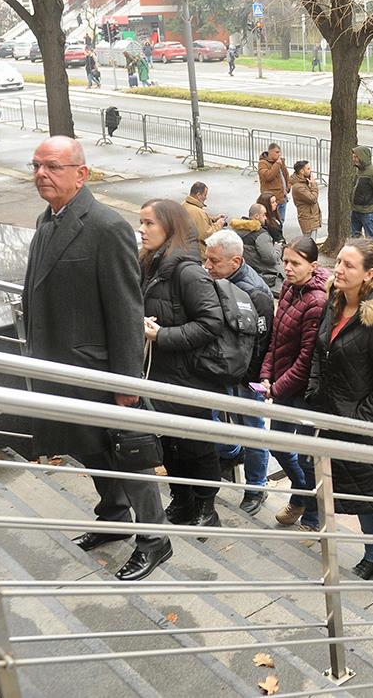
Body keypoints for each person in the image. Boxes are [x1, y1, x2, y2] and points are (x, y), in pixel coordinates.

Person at [22, 136, 170, 581]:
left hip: (100, 372)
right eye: (36, 166)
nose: (41, 174)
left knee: (126, 454)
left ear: (81, 174)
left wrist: (127, 384)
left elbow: (127, 310)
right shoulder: (46, 220)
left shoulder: (106, 226)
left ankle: (154, 539)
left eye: (53, 167)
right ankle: (114, 516)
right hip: (61, 368)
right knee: (89, 451)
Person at [306, 238, 373, 581]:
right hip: (337, 420)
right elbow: (321, 351)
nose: (338, 269)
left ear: (369, 274)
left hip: (370, 430)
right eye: (338, 262)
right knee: (357, 495)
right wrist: (314, 392)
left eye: (349, 266)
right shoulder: (334, 302)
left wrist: (359, 421)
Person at [137, 199, 224, 533]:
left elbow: (211, 322)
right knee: (171, 442)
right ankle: (182, 498)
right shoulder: (148, 263)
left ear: (169, 228)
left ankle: (206, 505)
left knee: (197, 445)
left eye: (149, 224)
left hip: (190, 376)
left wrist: (163, 335)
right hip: (159, 373)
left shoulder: (187, 271)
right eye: (141, 223)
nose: (142, 231)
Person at [202, 229, 281, 515]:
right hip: (221, 370)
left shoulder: (255, 292)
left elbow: (263, 340)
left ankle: (256, 487)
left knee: (253, 431)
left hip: (246, 377)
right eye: (206, 260)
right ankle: (232, 454)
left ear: (235, 262)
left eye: (214, 261)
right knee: (217, 422)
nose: (207, 266)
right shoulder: (215, 279)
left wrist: (254, 378)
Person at [261, 237, 330, 531]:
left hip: (304, 393)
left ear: (312, 267)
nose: (287, 268)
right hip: (282, 385)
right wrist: (266, 373)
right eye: (285, 261)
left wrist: (276, 388)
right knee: (277, 443)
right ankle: (302, 493)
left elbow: (306, 358)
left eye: (295, 263)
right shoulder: (289, 288)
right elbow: (277, 338)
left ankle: (314, 516)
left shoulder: (316, 301)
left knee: (305, 455)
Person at [230, 204, 284, 294]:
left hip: (243, 271)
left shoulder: (235, 231)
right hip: (263, 274)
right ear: (256, 216)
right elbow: (271, 259)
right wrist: (278, 247)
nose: (266, 218)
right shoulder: (261, 234)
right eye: (264, 215)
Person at [182, 181, 225, 259]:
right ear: (198, 195)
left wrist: (214, 219)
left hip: (186, 248)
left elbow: (199, 220)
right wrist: (219, 224)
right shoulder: (197, 212)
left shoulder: (185, 204)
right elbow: (206, 235)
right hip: (199, 254)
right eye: (205, 195)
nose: (206, 197)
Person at [350, 145, 373, 240]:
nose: (354, 159)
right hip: (355, 209)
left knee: (370, 237)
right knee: (355, 237)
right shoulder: (359, 171)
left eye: (356, 156)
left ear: (362, 157)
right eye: (353, 156)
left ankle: (372, 254)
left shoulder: (372, 173)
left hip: (366, 211)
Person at [258, 143, 290, 224]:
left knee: (281, 221)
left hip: (282, 197)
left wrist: (288, 188)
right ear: (270, 152)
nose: (279, 154)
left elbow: (286, 175)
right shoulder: (263, 163)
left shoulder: (280, 162)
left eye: (279, 152)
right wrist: (277, 164)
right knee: (272, 222)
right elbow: (268, 176)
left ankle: (280, 235)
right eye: (277, 152)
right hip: (271, 199)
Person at [291, 160, 321, 240]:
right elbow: (313, 198)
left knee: (311, 242)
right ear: (301, 171)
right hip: (308, 219)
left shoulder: (305, 182)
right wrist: (314, 185)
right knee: (309, 243)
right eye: (308, 169)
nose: (310, 171)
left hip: (312, 217)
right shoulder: (298, 187)